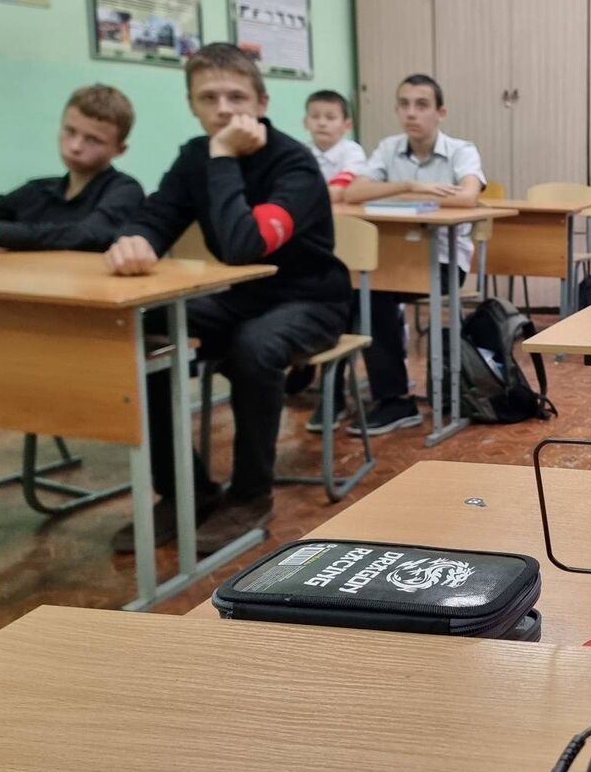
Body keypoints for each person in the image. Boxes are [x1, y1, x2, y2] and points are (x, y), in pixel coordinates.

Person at [105, 44, 350, 554]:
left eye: (236, 97)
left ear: (262, 103)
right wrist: (136, 240)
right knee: (145, 327)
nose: (223, 109)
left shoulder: (293, 163)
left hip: (312, 300)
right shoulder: (193, 157)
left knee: (254, 347)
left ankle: (251, 495)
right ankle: (184, 490)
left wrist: (222, 157)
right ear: (192, 104)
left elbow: (244, 244)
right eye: (208, 98)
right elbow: (157, 215)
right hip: (238, 299)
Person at [0, 84, 144, 573]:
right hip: (11, 332)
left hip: (89, 341)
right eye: (70, 132)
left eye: (93, 140)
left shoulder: (123, 190)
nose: (76, 146)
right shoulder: (37, 191)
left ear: (119, 148)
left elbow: (89, 235)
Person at [342, 73, 484, 435]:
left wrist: (392, 194)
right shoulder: (389, 148)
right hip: (393, 261)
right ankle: (391, 400)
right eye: (404, 104)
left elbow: (467, 196)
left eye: (421, 105)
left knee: (372, 294)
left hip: (444, 262)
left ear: (440, 112)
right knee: (362, 292)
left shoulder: (461, 150)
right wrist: (410, 185)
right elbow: (353, 193)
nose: (411, 113)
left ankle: (400, 397)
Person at [303, 89, 367, 204]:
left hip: (344, 211)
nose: (322, 123)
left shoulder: (353, 151)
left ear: (347, 125)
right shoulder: (300, 151)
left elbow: (338, 191)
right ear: (305, 122)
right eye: (315, 117)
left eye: (330, 118)